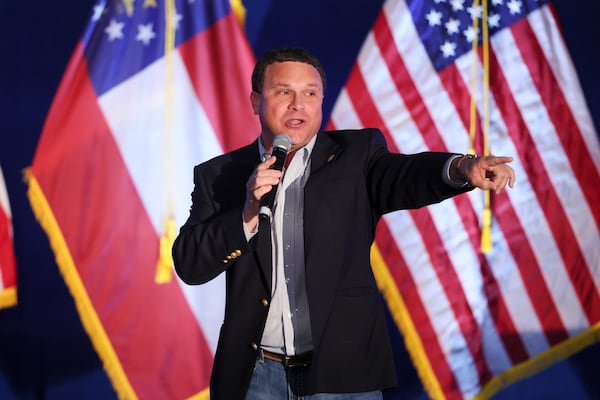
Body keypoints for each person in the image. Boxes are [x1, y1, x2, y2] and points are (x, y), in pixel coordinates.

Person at [172, 47, 515, 400]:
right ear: (256, 100)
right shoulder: (220, 175)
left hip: (343, 374)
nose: (298, 104)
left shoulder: (356, 154)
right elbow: (190, 265)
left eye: (310, 93)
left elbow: (407, 175)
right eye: (283, 92)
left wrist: (461, 168)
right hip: (257, 377)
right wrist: (247, 212)